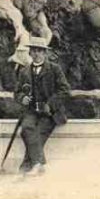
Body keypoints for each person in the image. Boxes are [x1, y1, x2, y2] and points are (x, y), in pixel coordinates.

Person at [14, 37, 71, 176]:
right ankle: (38, 164)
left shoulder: (54, 69)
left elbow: (65, 90)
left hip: (50, 112)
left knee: (39, 132)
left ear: (45, 53)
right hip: (32, 110)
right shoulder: (24, 71)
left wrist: (50, 104)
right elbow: (17, 92)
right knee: (26, 129)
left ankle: (29, 164)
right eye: (33, 51)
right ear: (30, 53)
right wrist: (23, 98)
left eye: (39, 51)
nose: (36, 54)